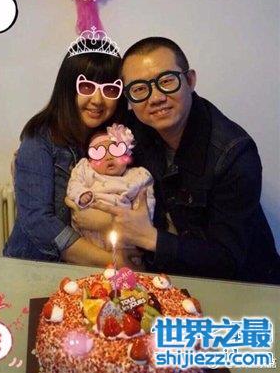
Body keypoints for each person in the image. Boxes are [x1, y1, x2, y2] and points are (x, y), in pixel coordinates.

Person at [70, 37, 280, 283]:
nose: (155, 98)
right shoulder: (132, 130)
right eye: (139, 89)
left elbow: (228, 259)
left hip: (245, 286)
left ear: (190, 80)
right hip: (167, 277)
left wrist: (148, 237)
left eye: (166, 81)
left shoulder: (233, 153)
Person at [3, 36, 142, 268]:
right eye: (86, 87)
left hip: (98, 268)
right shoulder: (39, 138)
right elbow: (38, 221)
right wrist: (113, 262)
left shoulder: (120, 138)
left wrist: (111, 225)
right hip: (39, 265)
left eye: (109, 89)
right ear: (67, 87)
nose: (97, 100)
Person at [66, 123, 155, 252]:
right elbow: (74, 184)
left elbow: (146, 205)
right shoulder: (86, 169)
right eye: (99, 153)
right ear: (91, 161)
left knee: (126, 259)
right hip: (88, 235)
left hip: (124, 236)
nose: (108, 157)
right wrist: (81, 194)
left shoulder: (137, 176)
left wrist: (139, 222)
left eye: (115, 150)